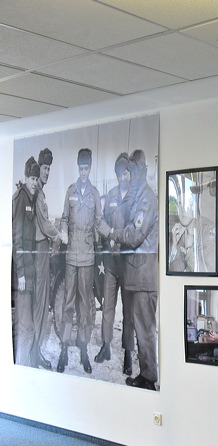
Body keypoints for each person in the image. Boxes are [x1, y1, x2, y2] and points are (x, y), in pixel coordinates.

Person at [103, 150, 159, 390]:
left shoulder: (146, 198)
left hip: (143, 275)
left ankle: (149, 377)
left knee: (145, 330)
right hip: (137, 273)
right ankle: (145, 374)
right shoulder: (139, 197)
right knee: (141, 327)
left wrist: (114, 234)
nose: (131, 176)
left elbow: (135, 234)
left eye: (134, 172)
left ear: (143, 172)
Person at [57, 148, 102, 374]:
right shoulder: (70, 191)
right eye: (80, 168)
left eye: (86, 168)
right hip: (71, 256)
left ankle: (83, 348)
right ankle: (64, 347)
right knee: (68, 303)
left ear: (90, 168)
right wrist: (63, 231)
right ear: (77, 167)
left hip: (87, 258)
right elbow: (64, 218)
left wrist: (113, 233)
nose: (83, 172)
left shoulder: (94, 194)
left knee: (85, 306)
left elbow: (99, 222)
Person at [95, 153, 136, 375]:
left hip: (127, 263)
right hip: (111, 263)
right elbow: (100, 222)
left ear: (130, 174)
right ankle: (106, 346)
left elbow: (136, 229)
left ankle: (128, 352)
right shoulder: (110, 196)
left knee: (128, 311)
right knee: (107, 307)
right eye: (119, 173)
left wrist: (117, 235)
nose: (123, 176)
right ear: (116, 175)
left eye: (126, 172)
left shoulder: (135, 197)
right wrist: (107, 233)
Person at [12, 157, 51, 369]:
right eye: (32, 178)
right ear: (26, 177)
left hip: (29, 272)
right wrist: (20, 274)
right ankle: (24, 368)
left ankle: (29, 363)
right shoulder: (20, 199)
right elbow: (17, 240)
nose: (35, 182)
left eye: (37, 178)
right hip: (23, 274)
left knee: (28, 325)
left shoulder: (32, 198)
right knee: (25, 327)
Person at [30, 148, 62, 368]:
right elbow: (43, 223)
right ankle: (34, 353)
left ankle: (35, 350)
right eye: (44, 168)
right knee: (40, 303)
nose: (47, 172)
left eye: (49, 168)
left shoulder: (40, 192)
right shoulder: (37, 193)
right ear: (38, 168)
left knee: (41, 302)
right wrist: (59, 235)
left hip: (41, 251)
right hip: (39, 251)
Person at [168, 177, 216, 273]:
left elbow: (207, 274)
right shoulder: (178, 232)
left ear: (193, 205)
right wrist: (174, 246)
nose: (182, 210)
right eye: (179, 204)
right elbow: (175, 273)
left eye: (185, 204)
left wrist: (189, 250)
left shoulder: (209, 230)